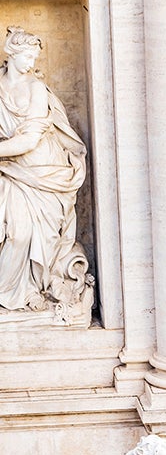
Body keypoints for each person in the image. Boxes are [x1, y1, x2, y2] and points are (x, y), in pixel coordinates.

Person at [0, 26, 92, 317]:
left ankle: (26, 291)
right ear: (11, 54)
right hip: (11, 169)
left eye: (35, 56)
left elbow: (29, 140)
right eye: (26, 56)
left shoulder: (36, 88)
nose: (32, 63)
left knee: (28, 236)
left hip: (43, 170)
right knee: (15, 233)